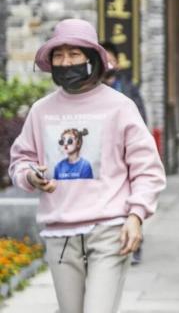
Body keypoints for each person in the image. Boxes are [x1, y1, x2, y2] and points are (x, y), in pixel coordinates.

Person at [8, 18, 166, 313]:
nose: (66, 61)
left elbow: (147, 168)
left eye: (74, 54)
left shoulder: (120, 107)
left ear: (92, 58)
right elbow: (20, 161)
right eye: (59, 55)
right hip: (59, 234)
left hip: (109, 230)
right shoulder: (41, 110)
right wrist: (31, 176)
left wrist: (136, 215)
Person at [102, 41, 148, 264]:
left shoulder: (128, 88)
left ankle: (135, 242)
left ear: (118, 62)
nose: (107, 63)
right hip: (104, 159)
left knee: (133, 200)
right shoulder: (91, 91)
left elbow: (142, 120)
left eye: (110, 58)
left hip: (127, 155)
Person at [100, 41, 147, 123]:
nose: (107, 66)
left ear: (117, 63)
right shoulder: (92, 87)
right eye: (103, 62)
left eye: (110, 61)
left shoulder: (129, 86)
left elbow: (140, 115)